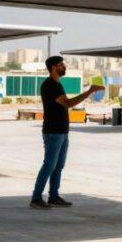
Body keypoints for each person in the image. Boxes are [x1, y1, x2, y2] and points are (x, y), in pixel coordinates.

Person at [30, 55, 103, 209]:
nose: (64, 67)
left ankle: (53, 196)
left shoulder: (58, 84)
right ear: (53, 67)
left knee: (58, 166)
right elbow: (68, 103)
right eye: (61, 65)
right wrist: (89, 92)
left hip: (62, 132)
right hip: (53, 132)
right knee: (49, 165)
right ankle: (36, 198)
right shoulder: (50, 85)